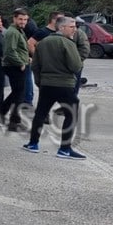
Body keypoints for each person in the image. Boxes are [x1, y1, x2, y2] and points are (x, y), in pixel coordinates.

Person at [23, 16, 85, 159]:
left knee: (40, 113)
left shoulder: (42, 43)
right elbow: (76, 66)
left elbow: (35, 66)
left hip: (46, 85)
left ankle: (33, 143)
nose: (75, 29)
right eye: (72, 27)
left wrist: (40, 82)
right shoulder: (68, 43)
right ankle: (65, 149)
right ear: (62, 28)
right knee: (71, 114)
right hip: (64, 85)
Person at [1, 8, 31, 131]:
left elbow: (19, 49)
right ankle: (14, 122)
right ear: (14, 19)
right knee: (19, 94)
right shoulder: (12, 32)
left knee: (17, 92)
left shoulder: (19, 31)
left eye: (25, 19)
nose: (23, 22)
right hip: (14, 66)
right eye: (20, 19)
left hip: (18, 65)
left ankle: (0, 112)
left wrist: (26, 58)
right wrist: (20, 63)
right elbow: (9, 51)